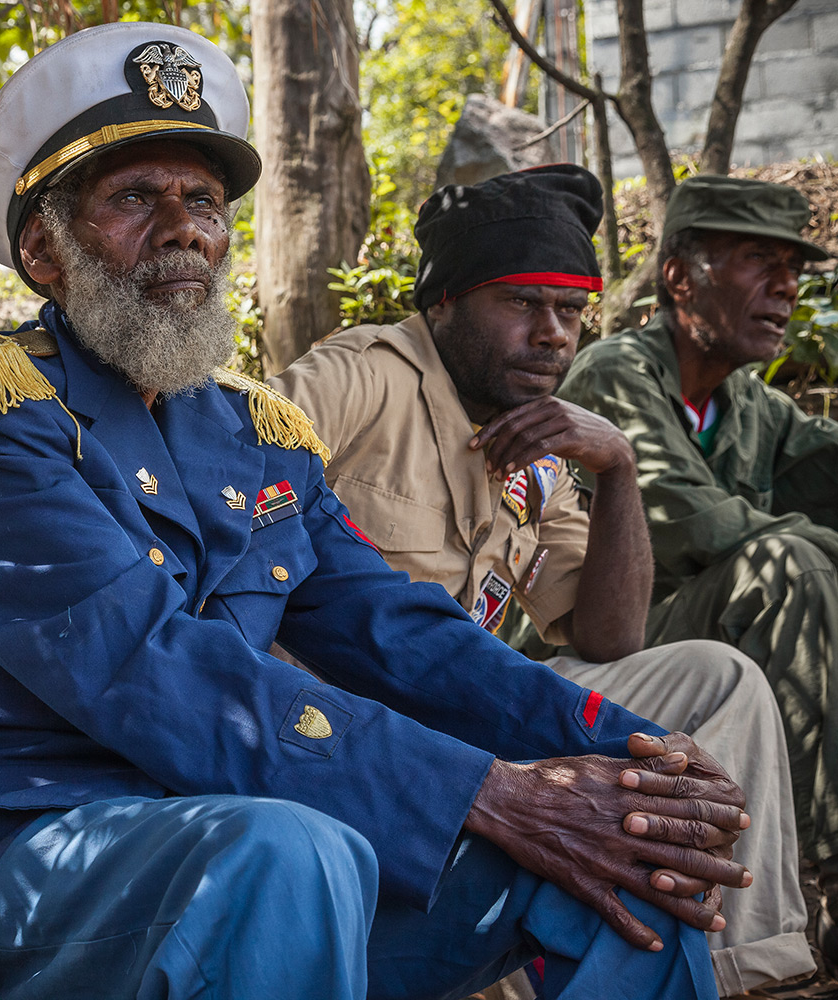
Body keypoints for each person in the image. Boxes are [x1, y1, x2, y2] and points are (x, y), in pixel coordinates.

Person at [0, 22, 750, 1000]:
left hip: (253, 832)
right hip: (32, 852)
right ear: (44, 249)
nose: (183, 229)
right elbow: (145, 662)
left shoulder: (255, 434)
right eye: (134, 198)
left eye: (203, 201)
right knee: (290, 850)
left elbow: (403, 633)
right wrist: (486, 789)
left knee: (632, 854)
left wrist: (632, 752)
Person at [269, 165, 811, 996]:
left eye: (570, 310)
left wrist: (617, 467)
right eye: (522, 303)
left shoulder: (537, 447)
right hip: (352, 732)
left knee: (717, 677)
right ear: (444, 300)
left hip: (479, 711)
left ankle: (744, 971)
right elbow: (227, 483)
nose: (554, 334)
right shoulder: (361, 376)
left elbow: (610, 638)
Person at [557, 174, 838, 947]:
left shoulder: (750, 404)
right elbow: (691, 525)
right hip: (608, 656)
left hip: (698, 641)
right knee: (790, 567)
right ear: (680, 277)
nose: (786, 287)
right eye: (759, 261)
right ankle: (826, 874)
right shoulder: (615, 373)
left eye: (794, 269)